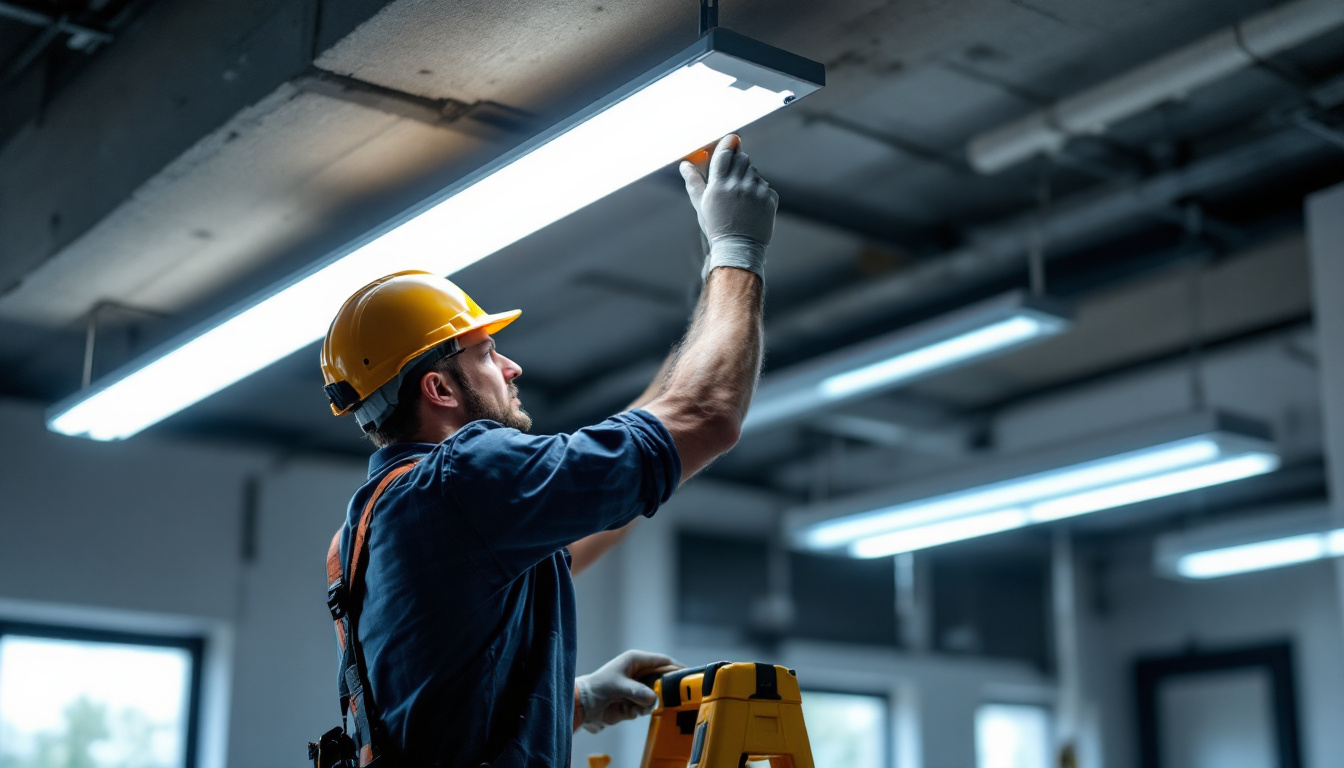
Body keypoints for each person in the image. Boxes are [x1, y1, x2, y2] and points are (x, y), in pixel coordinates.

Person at [318, 134, 775, 766]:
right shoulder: (466, 479)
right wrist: (737, 252)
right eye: (486, 353)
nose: (512, 366)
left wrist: (579, 700)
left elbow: (436, 707)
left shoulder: (371, 528)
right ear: (439, 387)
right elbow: (706, 416)